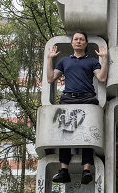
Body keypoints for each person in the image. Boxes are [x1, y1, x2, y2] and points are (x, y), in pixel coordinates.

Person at [46, 31, 108, 184]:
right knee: (65, 133)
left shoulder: (92, 61)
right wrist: (49, 59)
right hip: (68, 99)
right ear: (72, 43)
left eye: (81, 39)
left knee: (87, 133)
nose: (78, 41)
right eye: (76, 39)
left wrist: (104, 58)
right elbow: (50, 78)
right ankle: (63, 170)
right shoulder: (64, 61)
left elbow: (102, 77)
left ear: (86, 43)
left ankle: (86, 170)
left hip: (87, 99)